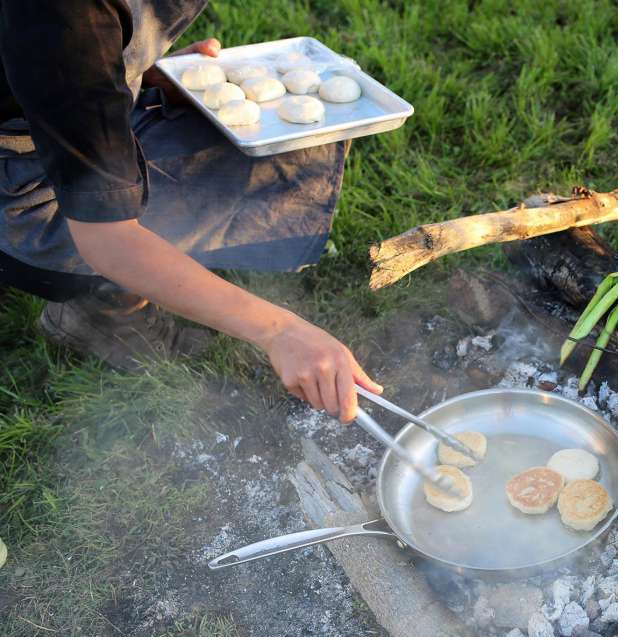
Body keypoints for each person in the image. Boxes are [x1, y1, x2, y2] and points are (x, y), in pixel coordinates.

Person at [0, 1, 382, 424]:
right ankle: (104, 309)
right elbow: (107, 238)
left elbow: (59, 64)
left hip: (52, 115)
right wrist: (281, 331)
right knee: (120, 227)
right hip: (23, 191)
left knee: (298, 145)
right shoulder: (61, 14)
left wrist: (137, 73)